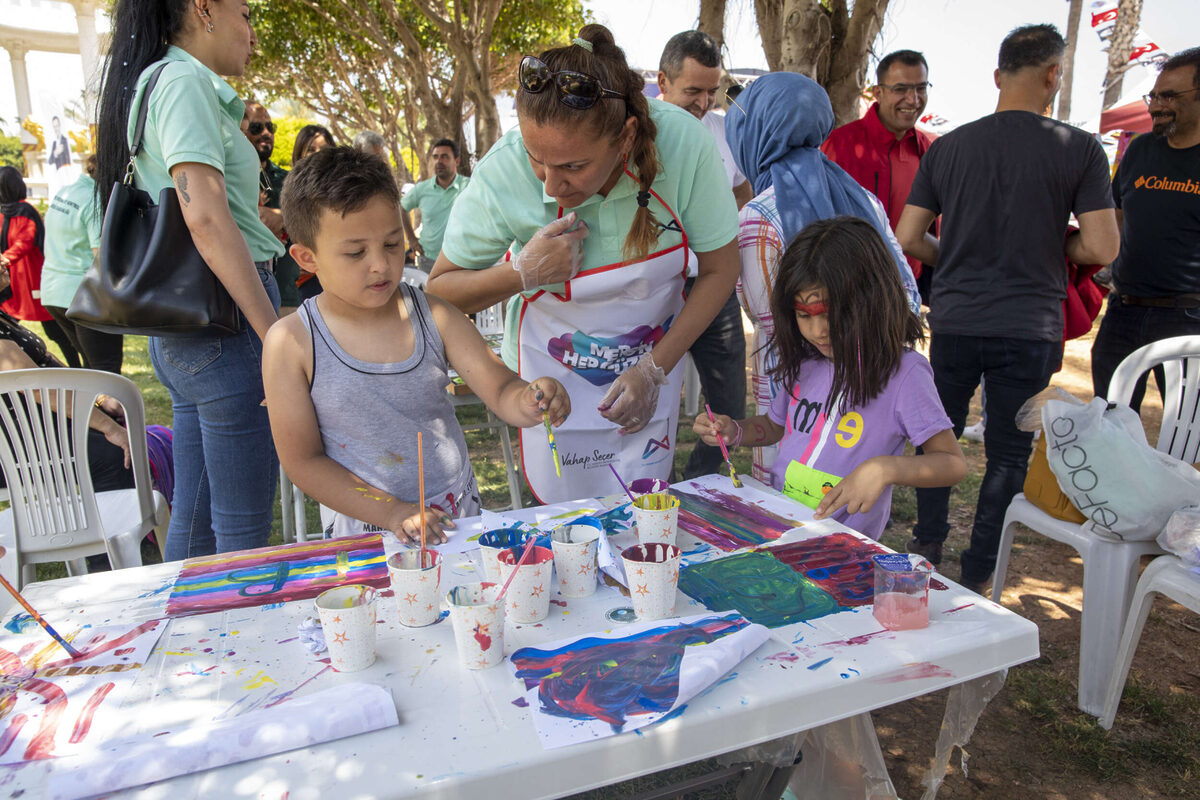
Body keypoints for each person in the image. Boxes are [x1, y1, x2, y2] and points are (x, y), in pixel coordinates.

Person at [427, 24, 741, 505]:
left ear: (625, 137)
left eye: (573, 167)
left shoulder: (684, 145)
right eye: (538, 160)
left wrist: (654, 369)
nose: (552, 185)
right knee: (559, 528)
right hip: (550, 381)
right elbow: (439, 292)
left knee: (644, 520)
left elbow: (721, 269)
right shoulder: (504, 169)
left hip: (650, 368)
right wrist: (523, 272)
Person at [895, 24, 1119, 592]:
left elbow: (909, 236)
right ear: (1053, 76)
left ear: (998, 77)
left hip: (958, 316)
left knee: (935, 435)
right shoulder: (1081, 149)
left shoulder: (948, 147)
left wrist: (953, 258)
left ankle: (926, 542)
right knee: (1008, 451)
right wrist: (1056, 243)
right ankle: (979, 569)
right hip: (1029, 324)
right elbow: (1101, 248)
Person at [264, 146, 570, 540]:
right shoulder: (290, 343)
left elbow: (498, 386)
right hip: (364, 532)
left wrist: (531, 399)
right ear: (307, 257)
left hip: (454, 517)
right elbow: (303, 461)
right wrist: (394, 512)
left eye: (392, 244)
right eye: (356, 252)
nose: (381, 264)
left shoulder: (436, 315)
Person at [95, 0, 285, 559]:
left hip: (188, 327)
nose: (251, 32)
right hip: (226, 320)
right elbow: (203, 213)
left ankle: (187, 640)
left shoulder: (155, 80)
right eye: (247, 13)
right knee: (241, 532)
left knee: (198, 520)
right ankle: (232, 642)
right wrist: (272, 334)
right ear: (204, 8)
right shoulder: (183, 80)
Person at [694, 217, 964, 540]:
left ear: (869, 300)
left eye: (829, 313)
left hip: (840, 548)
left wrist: (884, 468)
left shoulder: (904, 374)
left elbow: (951, 463)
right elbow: (776, 425)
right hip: (780, 527)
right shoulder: (804, 360)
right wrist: (735, 430)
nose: (818, 330)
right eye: (804, 316)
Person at [724, 71, 921, 485]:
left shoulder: (758, 218)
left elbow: (776, 328)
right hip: (867, 396)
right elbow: (903, 292)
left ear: (755, 133)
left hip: (793, 396)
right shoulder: (859, 195)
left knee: (787, 513)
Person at [657, 30, 749, 481]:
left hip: (713, 284)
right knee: (649, 397)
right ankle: (643, 489)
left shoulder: (722, 130)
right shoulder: (641, 132)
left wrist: (714, 227)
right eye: (693, 90)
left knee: (729, 403)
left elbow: (741, 188)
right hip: (654, 288)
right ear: (663, 82)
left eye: (711, 92)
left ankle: (696, 488)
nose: (703, 102)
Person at [1091, 46, 1200, 410]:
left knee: (1187, 433)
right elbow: (1115, 219)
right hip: (1124, 310)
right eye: (1154, 95)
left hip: (1189, 318)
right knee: (1108, 425)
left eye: (1169, 96)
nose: (1156, 105)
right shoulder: (1138, 150)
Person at [821, 49, 937, 304]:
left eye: (921, 88)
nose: (913, 99)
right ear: (878, 92)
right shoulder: (839, 146)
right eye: (901, 89)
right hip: (849, 292)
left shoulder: (927, 151)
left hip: (908, 294)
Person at [40, 154, 124, 373]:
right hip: (84, 296)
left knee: (91, 370)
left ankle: (91, 408)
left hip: (54, 293)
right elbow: (101, 256)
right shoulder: (95, 199)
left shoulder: (67, 191)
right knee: (106, 373)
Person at [0, 167, 81, 368]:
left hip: (32, 279)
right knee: (12, 327)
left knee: (55, 331)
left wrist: (4, 260)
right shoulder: (3, 212)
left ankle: (76, 368)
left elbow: (25, 241)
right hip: (12, 281)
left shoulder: (26, 210)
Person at [243, 101, 301, 315]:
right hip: (245, 296)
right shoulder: (227, 179)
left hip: (287, 295)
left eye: (270, 127)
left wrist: (281, 218)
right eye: (257, 128)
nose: (266, 133)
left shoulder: (287, 180)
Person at [401, 139, 469, 273]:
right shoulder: (422, 189)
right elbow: (401, 208)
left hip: (462, 260)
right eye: (436, 157)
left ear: (457, 161)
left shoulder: (469, 186)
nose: (439, 161)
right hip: (429, 260)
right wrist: (412, 240)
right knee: (428, 295)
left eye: (444, 157)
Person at [291, 124, 337, 300]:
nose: (318, 154)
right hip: (306, 283)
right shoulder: (290, 190)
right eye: (311, 149)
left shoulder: (343, 191)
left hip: (341, 277)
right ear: (299, 154)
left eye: (324, 149)